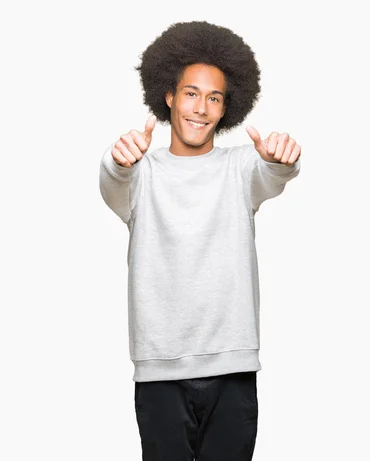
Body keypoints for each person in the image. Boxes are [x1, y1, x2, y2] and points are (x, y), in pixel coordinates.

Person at [98, 20, 301, 461]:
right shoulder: (140, 173)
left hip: (233, 369)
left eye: (214, 98)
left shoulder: (241, 168)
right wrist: (118, 162)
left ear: (226, 108)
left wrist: (284, 158)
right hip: (159, 371)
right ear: (168, 97)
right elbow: (112, 183)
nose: (201, 108)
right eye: (191, 93)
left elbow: (273, 173)